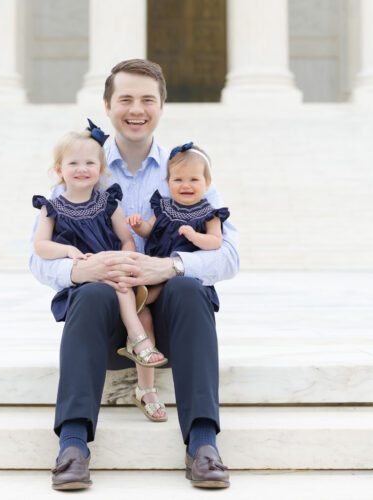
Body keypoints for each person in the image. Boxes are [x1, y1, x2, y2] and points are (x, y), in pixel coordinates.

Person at [29, 59, 239, 490]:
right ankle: (72, 445)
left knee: (186, 286)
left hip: (172, 325)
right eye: (125, 99)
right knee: (89, 293)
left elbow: (230, 255)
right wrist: (80, 267)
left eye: (147, 99)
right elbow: (37, 257)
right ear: (107, 106)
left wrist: (169, 264)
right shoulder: (82, 165)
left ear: (162, 105)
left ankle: (202, 444)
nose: (136, 109)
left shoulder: (187, 171)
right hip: (106, 325)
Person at [32, 120, 168, 433]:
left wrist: (124, 258)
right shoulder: (51, 207)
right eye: (73, 163)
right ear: (59, 169)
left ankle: (146, 389)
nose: (82, 168)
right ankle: (137, 340)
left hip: (117, 269)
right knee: (113, 285)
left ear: (102, 169)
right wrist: (69, 253)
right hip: (88, 281)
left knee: (141, 308)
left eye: (90, 163)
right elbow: (41, 246)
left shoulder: (108, 202)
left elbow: (126, 239)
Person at [126, 142, 230, 311]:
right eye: (178, 179)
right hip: (154, 266)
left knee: (160, 292)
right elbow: (149, 230)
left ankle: (139, 304)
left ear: (207, 182)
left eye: (194, 180)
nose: (186, 185)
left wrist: (195, 236)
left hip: (184, 273)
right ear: (168, 182)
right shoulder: (164, 207)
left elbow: (215, 241)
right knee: (141, 286)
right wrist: (139, 225)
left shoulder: (209, 213)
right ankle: (136, 308)